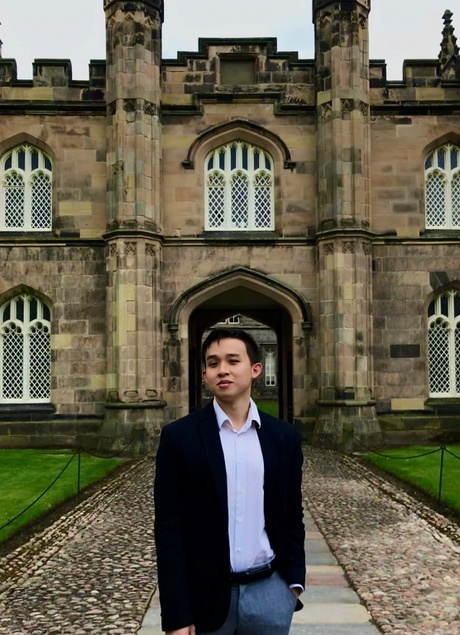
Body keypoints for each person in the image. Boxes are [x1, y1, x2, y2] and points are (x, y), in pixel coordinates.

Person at [154, 328, 305, 635]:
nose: (222, 369)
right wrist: (176, 614)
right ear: (205, 375)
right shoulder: (179, 438)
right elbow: (169, 530)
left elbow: (291, 515)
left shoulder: (283, 438)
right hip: (204, 598)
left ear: (255, 369)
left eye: (232, 360)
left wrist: (292, 585)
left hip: (269, 594)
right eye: (213, 363)